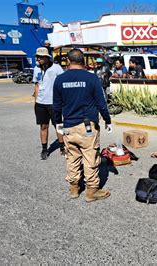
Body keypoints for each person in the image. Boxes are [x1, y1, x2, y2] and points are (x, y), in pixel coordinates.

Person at [53, 49, 113, 202]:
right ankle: (91, 191)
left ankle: (74, 189)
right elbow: (101, 103)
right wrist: (107, 120)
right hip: (87, 126)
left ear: (68, 61)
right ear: (83, 61)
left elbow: (56, 106)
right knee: (90, 157)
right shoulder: (91, 78)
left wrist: (58, 124)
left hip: (68, 126)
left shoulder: (60, 79)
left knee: (72, 158)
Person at [32, 47, 65, 160]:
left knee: (58, 125)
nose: (38, 59)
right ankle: (44, 149)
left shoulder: (56, 68)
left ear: (46, 58)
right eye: (37, 57)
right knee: (43, 126)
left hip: (54, 103)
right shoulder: (36, 69)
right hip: (41, 103)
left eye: (40, 57)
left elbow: (62, 83)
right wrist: (36, 101)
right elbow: (36, 85)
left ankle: (62, 147)